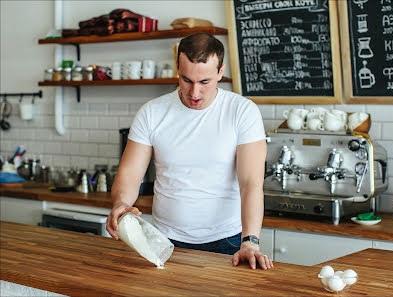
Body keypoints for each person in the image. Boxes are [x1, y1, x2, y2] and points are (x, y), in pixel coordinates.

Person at [106, 33, 273, 270]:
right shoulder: (152, 112)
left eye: (204, 82)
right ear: (177, 69)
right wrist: (121, 203)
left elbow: (251, 184)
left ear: (220, 72)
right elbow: (130, 174)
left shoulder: (242, 111)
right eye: (186, 80)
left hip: (228, 241)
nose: (194, 93)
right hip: (163, 240)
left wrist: (250, 242)